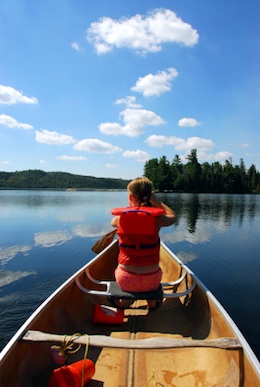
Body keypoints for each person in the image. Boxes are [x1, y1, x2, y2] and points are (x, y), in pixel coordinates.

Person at [111, 177, 176, 309]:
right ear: (150, 196)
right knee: (150, 284)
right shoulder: (157, 219)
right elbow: (173, 217)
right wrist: (156, 201)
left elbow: (112, 224)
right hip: (151, 282)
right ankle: (151, 302)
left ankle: (125, 302)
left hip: (125, 280)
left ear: (130, 197)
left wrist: (131, 210)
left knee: (122, 272)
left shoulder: (119, 219)